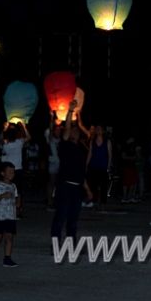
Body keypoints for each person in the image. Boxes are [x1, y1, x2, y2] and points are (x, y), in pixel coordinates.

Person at [51, 100, 93, 243]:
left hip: (77, 187)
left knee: (73, 218)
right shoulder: (64, 145)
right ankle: (56, 244)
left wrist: (87, 189)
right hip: (65, 185)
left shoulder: (81, 149)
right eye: (72, 130)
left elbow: (82, 171)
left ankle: (71, 243)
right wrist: (70, 111)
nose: (74, 131)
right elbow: (67, 128)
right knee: (60, 216)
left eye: (76, 130)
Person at [1, 121, 30, 218]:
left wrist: (4, 128)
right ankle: (18, 210)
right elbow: (29, 137)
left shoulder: (5, 143)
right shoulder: (19, 142)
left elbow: (1, 138)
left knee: (6, 189)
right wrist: (24, 127)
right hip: (17, 169)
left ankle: (8, 209)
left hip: (7, 170)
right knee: (18, 191)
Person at [85, 124, 112, 208]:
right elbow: (90, 153)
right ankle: (94, 201)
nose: (98, 130)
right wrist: (86, 164)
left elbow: (110, 155)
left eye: (100, 129)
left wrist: (108, 166)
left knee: (104, 185)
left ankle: (103, 202)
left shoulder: (107, 141)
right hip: (94, 165)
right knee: (93, 185)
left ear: (103, 131)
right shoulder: (92, 141)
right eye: (97, 129)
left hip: (103, 166)